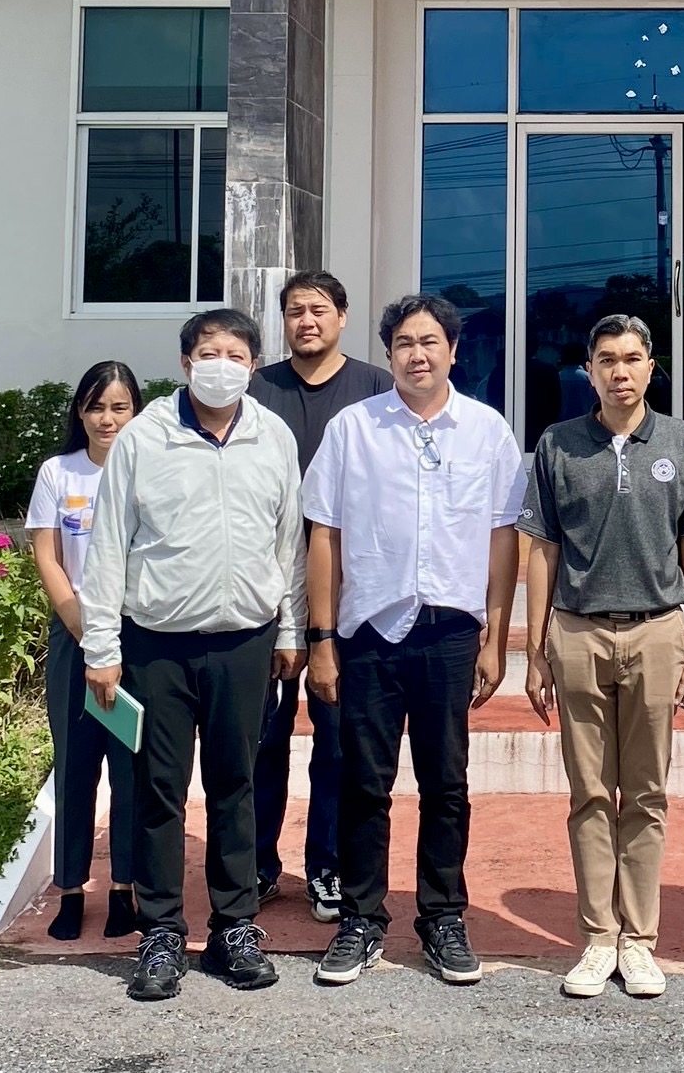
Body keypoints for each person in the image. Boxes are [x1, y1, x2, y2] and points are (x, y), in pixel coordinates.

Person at [80, 308, 309, 1003]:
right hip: (158, 644)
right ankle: (161, 932)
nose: (222, 365)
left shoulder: (273, 435)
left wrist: (291, 631)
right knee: (158, 789)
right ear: (185, 363)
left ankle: (235, 926)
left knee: (237, 785)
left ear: (253, 364)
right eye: (210, 353)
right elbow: (108, 544)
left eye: (236, 354)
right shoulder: (145, 437)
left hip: (245, 641)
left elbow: (288, 543)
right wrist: (102, 646)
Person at [303, 293, 526, 988]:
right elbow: (324, 534)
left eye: (430, 342)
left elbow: (503, 538)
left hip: (450, 633)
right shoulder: (353, 428)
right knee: (363, 782)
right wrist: (321, 638)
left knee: (446, 783)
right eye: (404, 343)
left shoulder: (486, 431)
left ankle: (442, 917)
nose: (417, 354)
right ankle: (361, 920)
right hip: (369, 632)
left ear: (454, 351)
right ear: (389, 354)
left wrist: (496, 638)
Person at [522, 313, 684, 1001]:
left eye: (632, 358)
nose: (620, 371)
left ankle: (638, 940)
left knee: (645, 792)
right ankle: (597, 936)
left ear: (651, 367)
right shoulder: (557, 444)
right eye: (606, 359)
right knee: (588, 792)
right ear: (588, 370)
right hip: (578, 633)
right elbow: (543, 550)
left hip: (658, 632)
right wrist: (536, 651)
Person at [248, 269, 393, 924]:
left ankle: (327, 867)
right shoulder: (258, 389)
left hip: (348, 587)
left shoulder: (376, 389)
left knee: (337, 740)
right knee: (262, 736)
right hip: (269, 584)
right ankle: (256, 864)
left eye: (318, 309)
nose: (306, 321)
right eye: (294, 311)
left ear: (342, 316)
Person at [25, 360, 145, 943]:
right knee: (75, 764)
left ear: (136, 412)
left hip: (137, 637)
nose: (107, 419)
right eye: (96, 407)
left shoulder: (149, 469)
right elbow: (47, 555)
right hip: (76, 636)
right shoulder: (59, 472)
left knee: (131, 765)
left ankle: (124, 887)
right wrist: (83, 626)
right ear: (80, 412)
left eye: (119, 407)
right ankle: (71, 889)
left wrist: (113, 633)